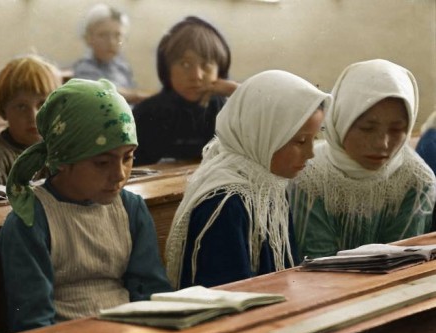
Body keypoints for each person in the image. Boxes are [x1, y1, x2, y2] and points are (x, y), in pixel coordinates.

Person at [0, 78, 171, 333]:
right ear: (65, 160)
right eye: (102, 162)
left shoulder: (131, 209)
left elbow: (150, 292)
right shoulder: (31, 220)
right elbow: (33, 321)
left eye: (128, 157)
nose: (119, 174)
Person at [166, 70, 329, 289]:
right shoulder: (224, 203)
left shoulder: (268, 184)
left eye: (314, 138)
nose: (311, 153)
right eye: (300, 141)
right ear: (263, 135)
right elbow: (230, 293)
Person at [291, 59, 435, 259]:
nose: (382, 143)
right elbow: (318, 260)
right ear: (340, 119)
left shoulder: (416, 179)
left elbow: (399, 260)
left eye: (396, 129)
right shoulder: (307, 172)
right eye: (367, 128)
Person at [132, 16, 237, 165]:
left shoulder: (225, 109)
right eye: (185, 64)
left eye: (206, 65)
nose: (196, 76)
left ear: (220, 71)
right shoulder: (147, 113)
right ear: (167, 69)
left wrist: (237, 92)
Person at [0, 55, 62, 187]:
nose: (33, 116)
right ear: (3, 111)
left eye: (42, 104)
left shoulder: (63, 147)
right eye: (21, 106)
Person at [71, 4, 149, 104]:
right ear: (88, 38)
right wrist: (138, 96)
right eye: (103, 35)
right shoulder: (84, 68)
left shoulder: (123, 67)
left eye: (118, 35)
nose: (111, 42)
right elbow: (104, 93)